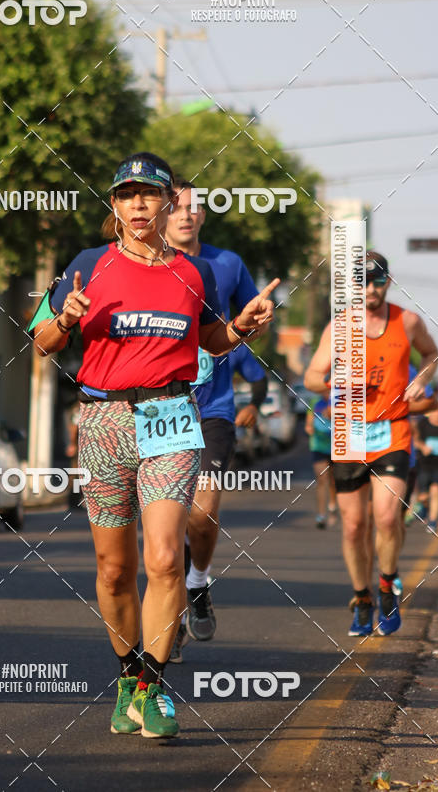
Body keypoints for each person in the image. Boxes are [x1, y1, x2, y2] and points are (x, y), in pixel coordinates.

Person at [30, 153, 278, 738]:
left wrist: (240, 328)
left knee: (165, 558)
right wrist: (64, 318)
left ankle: (152, 686)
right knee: (114, 570)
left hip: (171, 414)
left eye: (150, 194)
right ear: (114, 206)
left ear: (170, 204)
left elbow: (211, 339)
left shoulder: (195, 274)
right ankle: (125, 678)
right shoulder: (86, 265)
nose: (139, 204)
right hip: (103, 419)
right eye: (127, 195)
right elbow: (41, 342)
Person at [305, 251, 438, 637]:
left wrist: (422, 379)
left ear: (388, 282)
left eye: (377, 281)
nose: (370, 289)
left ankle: (387, 584)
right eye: (361, 282)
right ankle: (362, 598)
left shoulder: (407, 321)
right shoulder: (339, 328)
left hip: (393, 430)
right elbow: (312, 376)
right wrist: (336, 385)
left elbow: (432, 352)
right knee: (353, 526)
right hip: (350, 433)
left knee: (385, 516)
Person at [164, 179, 267, 657]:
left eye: (194, 208)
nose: (186, 215)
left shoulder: (227, 265)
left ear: (204, 215)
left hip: (212, 407)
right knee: (164, 529)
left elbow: (245, 328)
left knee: (202, 515)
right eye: (178, 207)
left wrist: (255, 319)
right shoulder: (142, 265)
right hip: (158, 408)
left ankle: (199, 582)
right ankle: (169, 621)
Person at [304, 390, 337, 528]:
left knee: (333, 480)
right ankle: (321, 515)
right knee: (322, 479)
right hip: (319, 446)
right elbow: (308, 423)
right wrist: (310, 428)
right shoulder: (314, 403)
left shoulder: (340, 401)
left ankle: (333, 505)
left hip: (337, 446)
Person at [412, 402, 438, 534]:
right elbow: (415, 440)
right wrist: (423, 447)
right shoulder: (423, 424)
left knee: (436, 492)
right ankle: (423, 508)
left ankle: (433, 521)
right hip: (424, 465)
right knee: (423, 496)